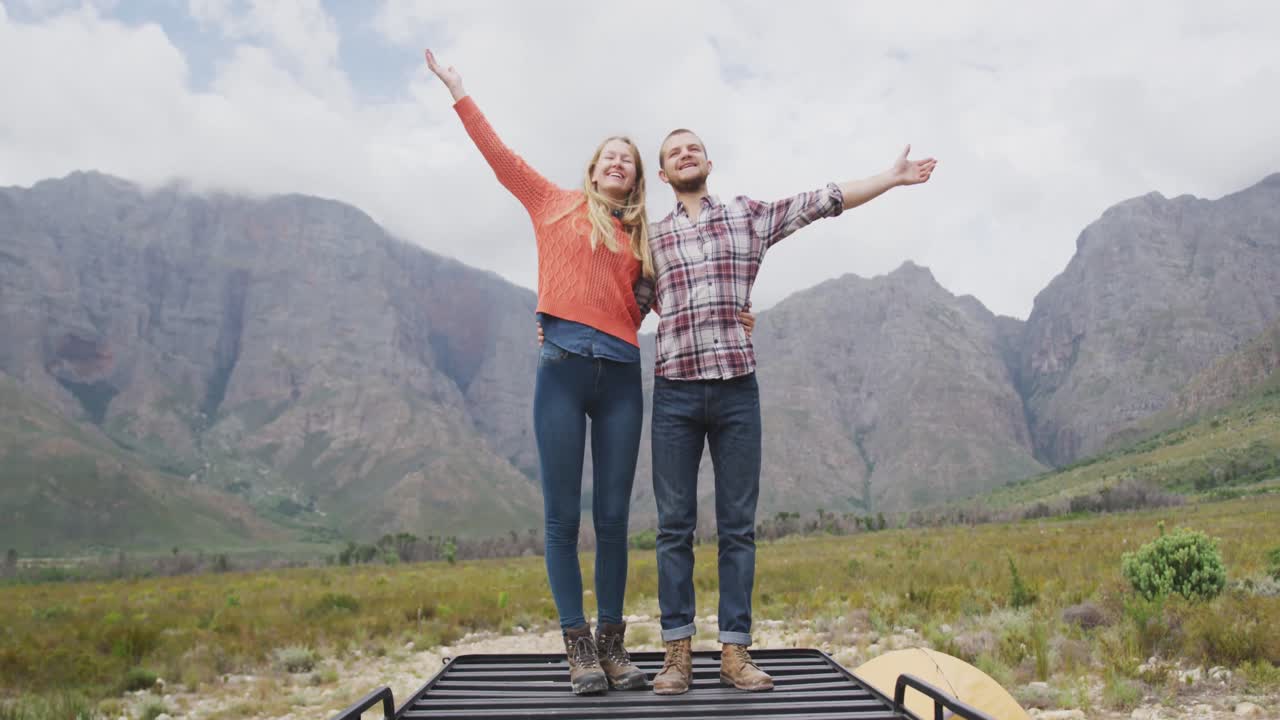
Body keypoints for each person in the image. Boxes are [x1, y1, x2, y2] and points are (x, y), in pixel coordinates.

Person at [645, 128, 937, 695]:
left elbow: (821, 201)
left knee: (737, 527)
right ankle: (676, 656)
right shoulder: (650, 239)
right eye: (674, 152)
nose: (685, 154)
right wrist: (554, 322)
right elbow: (621, 301)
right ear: (662, 175)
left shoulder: (747, 217)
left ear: (708, 162)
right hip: (675, 393)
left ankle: (735, 653)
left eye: (692, 147)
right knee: (673, 528)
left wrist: (891, 178)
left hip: (736, 388)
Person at [424, 48, 651, 695]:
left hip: (622, 379)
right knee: (561, 519)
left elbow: (677, 295)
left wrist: (738, 315)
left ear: (636, 179)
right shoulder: (551, 202)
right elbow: (499, 156)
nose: (617, 162)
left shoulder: (645, 239)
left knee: (613, 520)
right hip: (561, 373)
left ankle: (613, 647)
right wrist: (459, 90)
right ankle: (578, 649)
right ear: (593, 168)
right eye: (609, 155)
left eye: (628, 159)